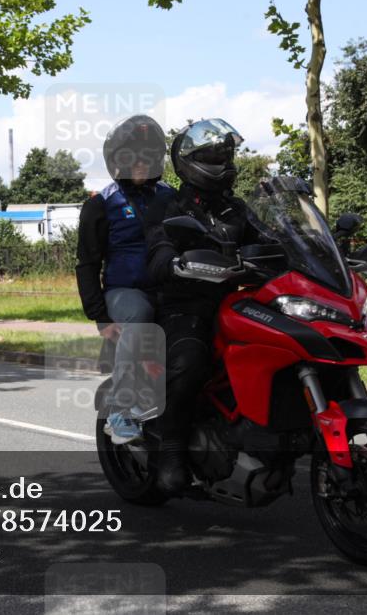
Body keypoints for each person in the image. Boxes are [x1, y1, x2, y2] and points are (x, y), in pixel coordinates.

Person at [143, 118, 271, 493]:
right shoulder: (168, 206)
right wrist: (173, 263)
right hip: (187, 306)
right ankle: (170, 453)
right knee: (189, 362)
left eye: (227, 153)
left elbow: (269, 239)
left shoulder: (236, 208)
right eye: (214, 155)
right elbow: (157, 250)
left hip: (238, 302)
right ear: (190, 162)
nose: (224, 160)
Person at [76, 114, 176, 444]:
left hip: (169, 288)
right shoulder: (100, 204)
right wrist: (100, 318)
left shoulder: (170, 197)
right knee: (139, 316)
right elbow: (87, 264)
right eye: (132, 154)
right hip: (125, 292)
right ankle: (120, 409)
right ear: (117, 159)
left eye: (149, 154)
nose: (141, 161)